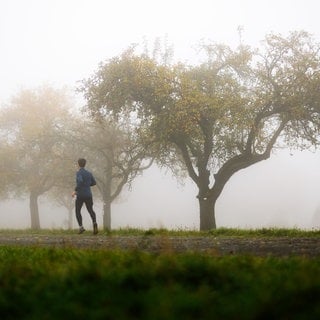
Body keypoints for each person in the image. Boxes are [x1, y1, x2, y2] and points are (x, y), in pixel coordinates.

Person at [72, 158, 98, 235]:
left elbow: (80, 181)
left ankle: (81, 227)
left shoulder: (79, 173)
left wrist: (75, 190)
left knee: (77, 211)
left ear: (78, 164)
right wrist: (86, 185)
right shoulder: (89, 173)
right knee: (90, 210)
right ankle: (94, 223)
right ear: (85, 164)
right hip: (88, 195)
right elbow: (94, 183)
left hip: (80, 195)